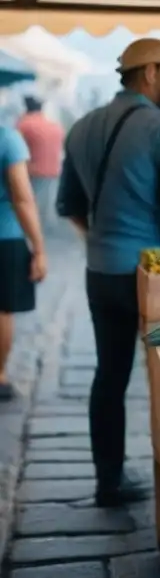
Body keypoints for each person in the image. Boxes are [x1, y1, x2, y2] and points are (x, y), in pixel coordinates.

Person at [57, 38, 160, 507]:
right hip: (154, 276)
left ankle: (109, 479)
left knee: (110, 374)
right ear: (148, 74)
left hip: (101, 271)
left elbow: (69, 206)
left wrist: (106, 243)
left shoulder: (81, 127)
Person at [0, 125, 46, 401]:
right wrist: (39, 249)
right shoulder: (7, 137)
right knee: (3, 308)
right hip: (4, 237)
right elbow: (21, 196)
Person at [16, 95, 64, 231]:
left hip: (32, 170)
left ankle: (32, 226)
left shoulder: (24, 124)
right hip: (54, 169)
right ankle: (46, 226)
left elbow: (14, 147)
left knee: (30, 200)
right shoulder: (53, 125)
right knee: (47, 200)